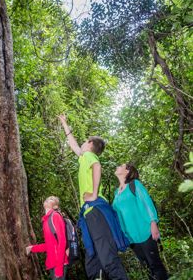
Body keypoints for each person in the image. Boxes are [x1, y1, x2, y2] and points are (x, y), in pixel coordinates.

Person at [59, 114, 128, 280]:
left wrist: (94, 193)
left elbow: (97, 166)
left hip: (96, 209)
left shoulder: (90, 157)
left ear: (90, 145)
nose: (81, 145)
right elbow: (74, 146)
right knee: (93, 257)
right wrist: (64, 124)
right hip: (90, 212)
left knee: (107, 256)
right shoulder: (84, 157)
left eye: (85, 142)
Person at [113, 163, 169, 280]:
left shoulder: (135, 185)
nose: (117, 166)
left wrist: (153, 223)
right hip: (131, 238)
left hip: (146, 231)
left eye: (121, 166)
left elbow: (146, 203)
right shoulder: (116, 193)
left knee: (155, 264)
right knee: (147, 267)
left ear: (127, 171)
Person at [26, 196, 68, 280]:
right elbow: (49, 245)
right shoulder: (46, 220)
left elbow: (62, 242)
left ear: (55, 206)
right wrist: (32, 248)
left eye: (51, 199)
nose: (48, 199)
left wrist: (59, 269)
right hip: (52, 263)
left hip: (58, 264)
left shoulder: (55, 216)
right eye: (48, 198)